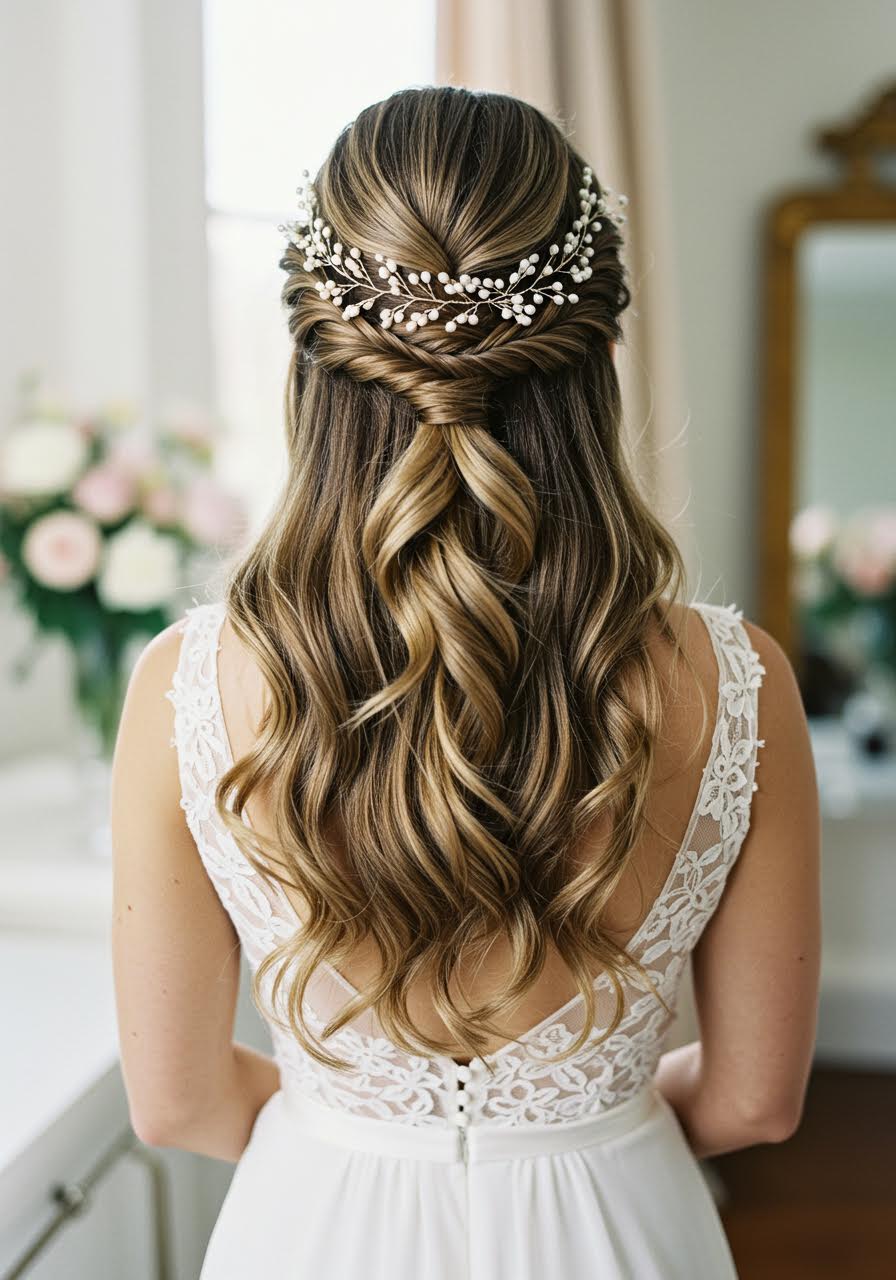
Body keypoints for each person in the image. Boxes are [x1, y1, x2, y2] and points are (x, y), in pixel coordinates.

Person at [110, 85, 821, 1279]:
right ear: (592, 349)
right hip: (620, 1223)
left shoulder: (186, 683)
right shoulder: (735, 683)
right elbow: (755, 1102)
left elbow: (175, 1101)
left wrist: (355, 1143)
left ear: (317, 355)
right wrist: (583, 1138)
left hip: (312, 1222)